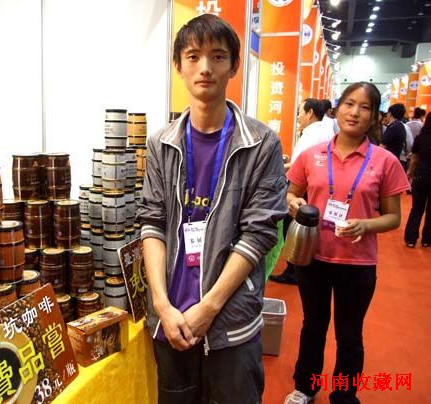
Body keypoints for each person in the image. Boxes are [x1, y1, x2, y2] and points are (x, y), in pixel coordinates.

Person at [136, 14, 287, 404]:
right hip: (172, 320)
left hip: (230, 322)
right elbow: (152, 223)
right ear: (179, 66)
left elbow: (259, 234)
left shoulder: (262, 143)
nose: (205, 67)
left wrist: (209, 307)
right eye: (193, 56)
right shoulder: (161, 143)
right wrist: (161, 305)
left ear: (234, 66)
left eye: (218, 56)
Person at [283, 82, 410, 404]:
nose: (355, 112)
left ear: (375, 116)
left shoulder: (384, 161)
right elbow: (291, 193)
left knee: (349, 334)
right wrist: (294, 203)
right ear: (336, 110)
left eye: (365, 107)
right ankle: (306, 387)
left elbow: (393, 217)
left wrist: (365, 225)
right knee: (313, 327)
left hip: (358, 263)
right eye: (349, 104)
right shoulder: (312, 155)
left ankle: (344, 394)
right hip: (313, 257)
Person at [270, 98, 334, 285]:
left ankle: (294, 269)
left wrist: (275, 166)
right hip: (315, 187)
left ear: (310, 113)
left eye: (299, 112)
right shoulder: (326, 130)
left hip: (303, 189)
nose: (298, 117)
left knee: (292, 224)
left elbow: (297, 166)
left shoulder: (311, 134)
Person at [404, 111, 431, 247]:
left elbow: (414, 158)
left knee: (416, 209)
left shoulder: (421, 137)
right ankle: (427, 240)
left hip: (421, 176)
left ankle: (411, 239)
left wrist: (410, 173)